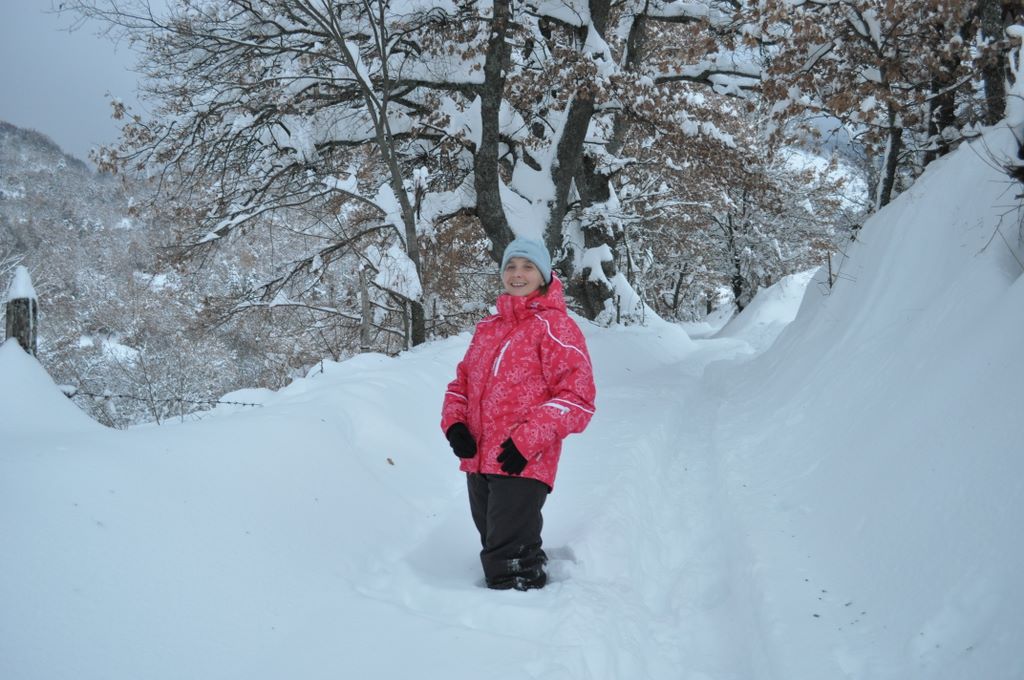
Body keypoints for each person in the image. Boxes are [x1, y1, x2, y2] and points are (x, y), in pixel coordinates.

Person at [441, 237, 597, 590]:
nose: (517, 273)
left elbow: (578, 397)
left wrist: (527, 440)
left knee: (508, 564)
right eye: (511, 266)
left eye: (528, 266)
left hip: (523, 459)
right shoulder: (489, 328)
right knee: (495, 543)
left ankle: (519, 615)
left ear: (543, 275)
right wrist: (455, 425)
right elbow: (461, 384)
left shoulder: (555, 326)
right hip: (479, 459)